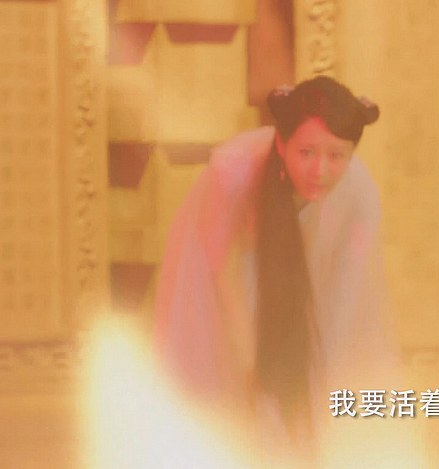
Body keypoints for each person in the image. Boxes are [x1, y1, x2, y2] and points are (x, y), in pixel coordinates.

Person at [152, 75, 402, 464]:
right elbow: (223, 271)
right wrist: (249, 361)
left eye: (336, 156)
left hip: (303, 289)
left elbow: (342, 300)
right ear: (282, 144)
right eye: (307, 152)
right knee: (226, 389)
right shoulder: (233, 173)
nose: (320, 170)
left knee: (310, 399)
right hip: (222, 272)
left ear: (352, 153)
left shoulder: (360, 196)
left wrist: (320, 378)